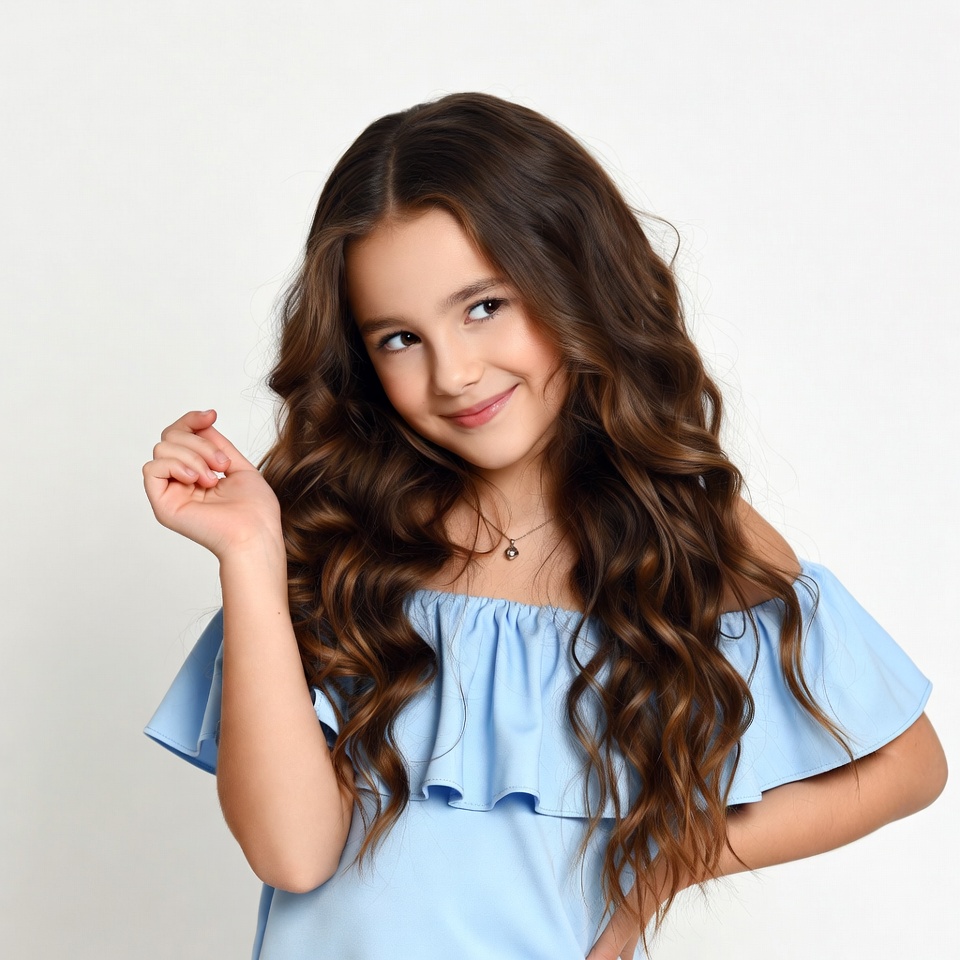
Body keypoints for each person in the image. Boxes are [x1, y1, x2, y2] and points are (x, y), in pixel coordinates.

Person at [143, 93, 946, 960]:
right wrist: (252, 553)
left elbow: (907, 766)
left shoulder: (683, 530)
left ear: (574, 279)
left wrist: (668, 863)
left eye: (484, 306)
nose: (453, 373)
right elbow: (292, 855)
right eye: (399, 338)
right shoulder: (335, 539)